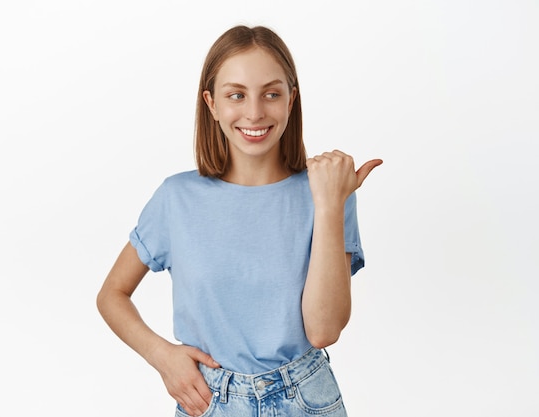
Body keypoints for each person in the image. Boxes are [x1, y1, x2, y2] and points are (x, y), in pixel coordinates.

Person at [96, 24, 382, 417]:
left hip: (305, 399)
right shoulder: (176, 198)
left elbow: (323, 330)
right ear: (211, 103)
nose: (254, 112)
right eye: (236, 95)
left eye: (271, 94)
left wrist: (330, 204)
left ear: (291, 100)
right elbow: (112, 294)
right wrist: (162, 356)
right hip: (208, 400)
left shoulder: (328, 193)